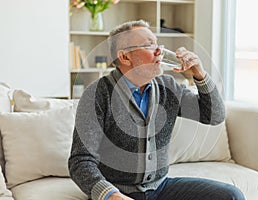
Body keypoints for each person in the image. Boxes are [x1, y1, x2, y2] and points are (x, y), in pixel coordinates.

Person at [68, 20, 245, 200]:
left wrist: (200, 75)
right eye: (149, 45)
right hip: (118, 192)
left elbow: (214, 116)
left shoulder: (168, 86)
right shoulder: (97, 94)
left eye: (157, 43)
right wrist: (111, 195)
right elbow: (80, 161)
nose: (159, 50)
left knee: (231, 196)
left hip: (161, 188)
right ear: (125, 57)